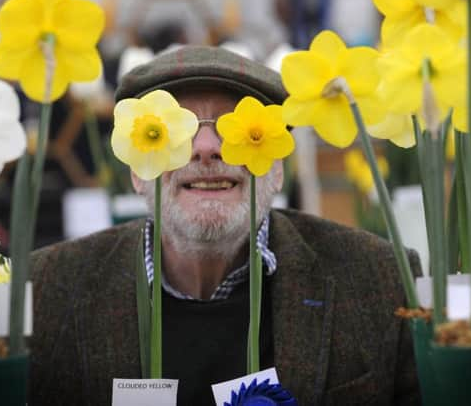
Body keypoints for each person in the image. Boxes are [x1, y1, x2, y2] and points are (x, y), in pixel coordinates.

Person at [29, 46, 421, 406]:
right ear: (136, 169)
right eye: (178, 127)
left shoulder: (380, 282)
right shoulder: (47, 291)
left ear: (278, 165)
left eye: (235, 124)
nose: (206, 147)